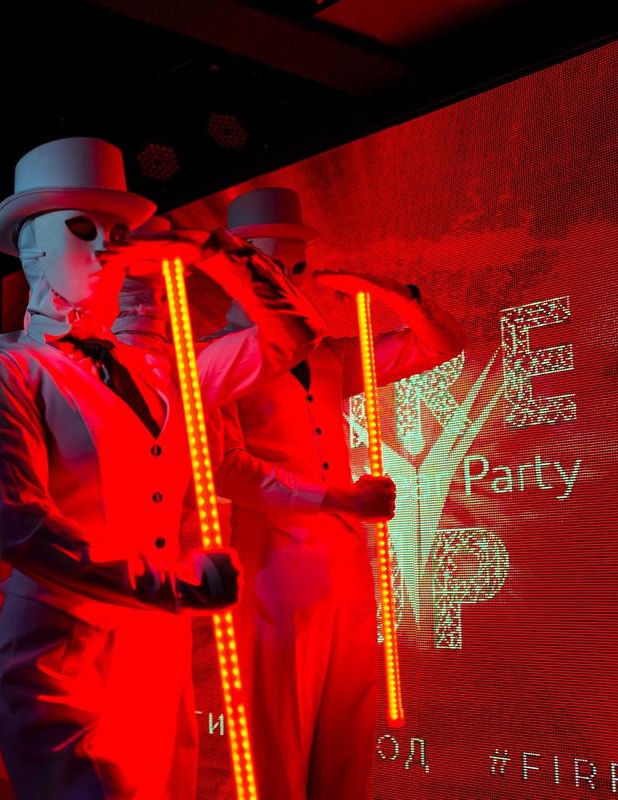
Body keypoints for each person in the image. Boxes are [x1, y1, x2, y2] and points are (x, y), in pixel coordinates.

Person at [0, 136, 251, 799]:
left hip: (156, 654)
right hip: (62, 654)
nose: (106, 247)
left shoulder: (154, 375)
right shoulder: (15, 371)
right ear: (33, 251)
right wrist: (172, 584)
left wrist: (222, 254)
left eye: (118, 234)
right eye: (83, 229)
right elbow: (20, 528)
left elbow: (290, 339)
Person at [212, 187, 467, 799]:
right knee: (277, 723)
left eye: (297, 266)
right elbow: (226, 469)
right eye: (273, 266)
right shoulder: (216, 361)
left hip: (344, 559)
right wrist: (336, 499)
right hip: (274, 563)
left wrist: (390, 294)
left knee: (348, 719)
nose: (290, 280)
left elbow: (440, 345)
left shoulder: (329, 358)